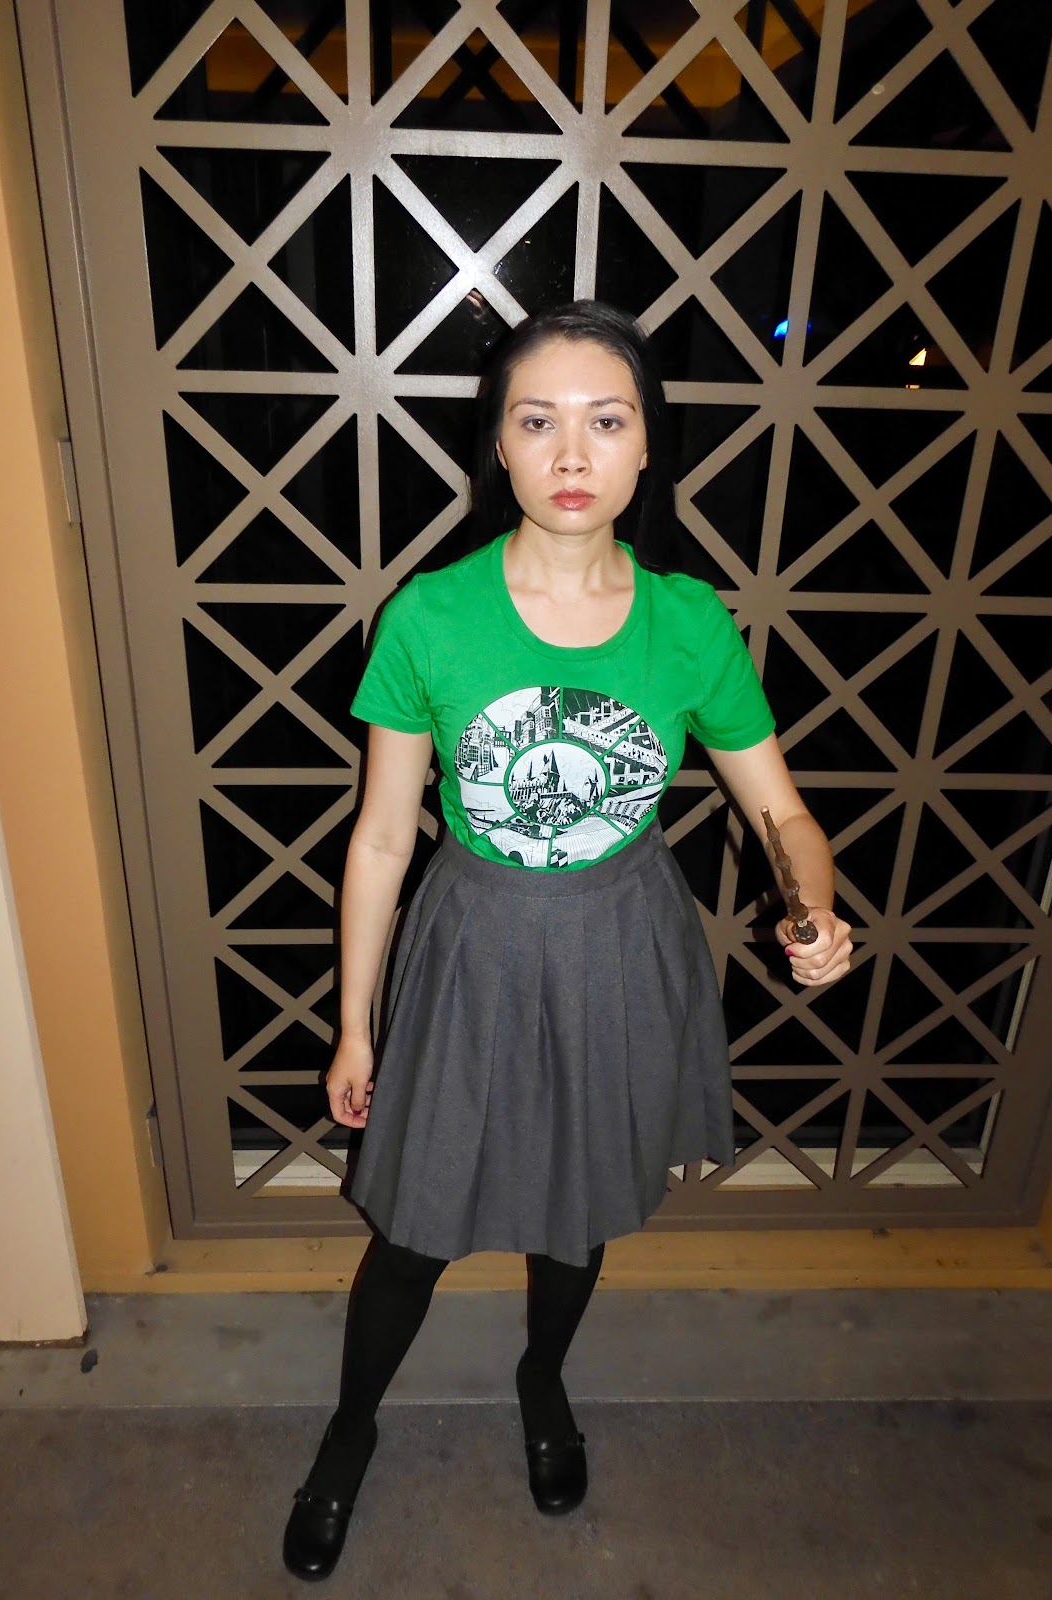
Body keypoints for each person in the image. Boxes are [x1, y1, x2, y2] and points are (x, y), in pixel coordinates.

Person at [282, 300, 852, 1582]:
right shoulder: (431, 617)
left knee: (579, 1208)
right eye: (538, 422)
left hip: (619, 944)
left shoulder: (689, 622)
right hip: (473, 943)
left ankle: (543, 1376)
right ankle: (351, 1425)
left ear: (647, 445)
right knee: (413, 1227)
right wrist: (354, 1024)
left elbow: (782, 813)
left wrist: (813, 905)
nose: (574, 452)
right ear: (500, 444)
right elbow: (382, 836)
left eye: (607, 420)